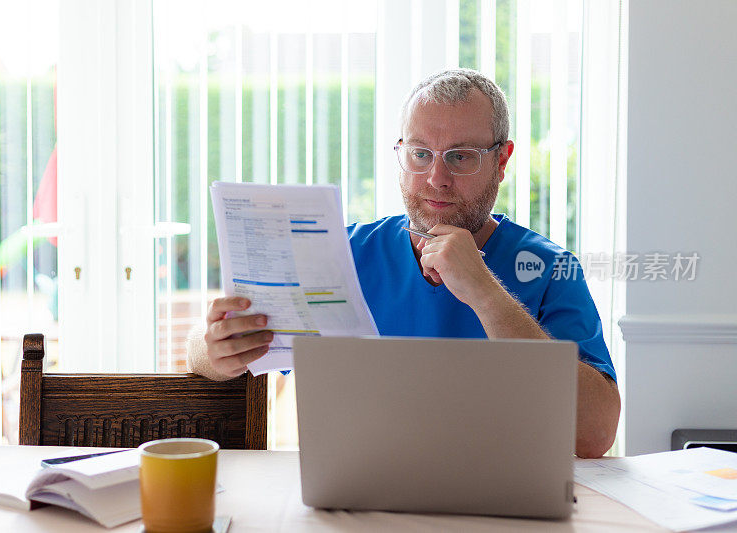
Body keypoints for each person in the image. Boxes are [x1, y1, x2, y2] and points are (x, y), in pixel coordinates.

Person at [187, 68, 620, 459]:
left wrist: (485, 294)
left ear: (501, 162)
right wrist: (216, 348)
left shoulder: (548, 268)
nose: (436, 178)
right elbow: (200, 354)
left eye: (461, 156)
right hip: (356, 495)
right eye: (419, 154)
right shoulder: (342, 253)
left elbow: (595, 434)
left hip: (500, 506)